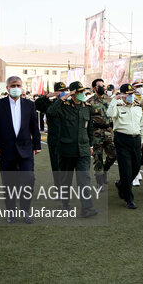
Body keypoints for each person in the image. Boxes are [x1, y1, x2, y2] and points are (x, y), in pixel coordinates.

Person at [0, 76, 41, 224]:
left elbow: (34, 126)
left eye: (18, 85)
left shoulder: (29, 104)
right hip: (6, 150)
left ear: (22, 87)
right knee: (9, 183)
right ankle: (11, 212)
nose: (16, 88)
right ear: (7, 88)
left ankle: (25, 210)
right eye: (13, 85)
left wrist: (37, 145)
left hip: (26, 150)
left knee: (29, 179)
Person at [46, 81, 98, 217]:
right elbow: (50, 112)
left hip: (83, 149)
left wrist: (91, 144)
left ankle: (86, 208)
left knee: (84, 178)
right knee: (65, 179)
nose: (82, 94)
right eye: (79, 92)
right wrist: (65, 96)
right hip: (66, 149)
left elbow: (90, 128)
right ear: (73, 93)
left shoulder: (87, 107)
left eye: (83, 92)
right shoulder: (64, 106)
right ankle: (65, 203)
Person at [107, 83, 143, 208]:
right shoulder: (117, 106)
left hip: (135, 140)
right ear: (123, 95)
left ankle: (122, 184)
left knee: (136, 167)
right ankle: (129, 199)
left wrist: (142, 139)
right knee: (126, 169)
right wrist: (115, 99)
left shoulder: (137, 107)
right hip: (122, 139)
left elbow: (141, 124)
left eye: (132, 94)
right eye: (128, 94)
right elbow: (110, 114)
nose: (130, 96)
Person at [34, 82, 69, 189]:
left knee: (67, 167)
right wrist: (47, 96)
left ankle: (66, 189)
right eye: (59, 91)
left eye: (63, 91)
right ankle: (59, 189)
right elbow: (36, 104)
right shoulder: (49, 104)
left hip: (68, 139)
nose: (62, 93)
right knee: (56, 166)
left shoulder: (69, 103)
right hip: (54, 139)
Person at [87, 78, 116, 190]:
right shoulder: (89, 102)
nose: (103, 88)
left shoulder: (110, 100)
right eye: (100, 86)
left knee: (113, 155)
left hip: (109, 131)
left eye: (103, 85)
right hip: (96, 132)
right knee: (97, 157)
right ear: (94, 88)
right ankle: (99, 182)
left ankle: (104, 170)